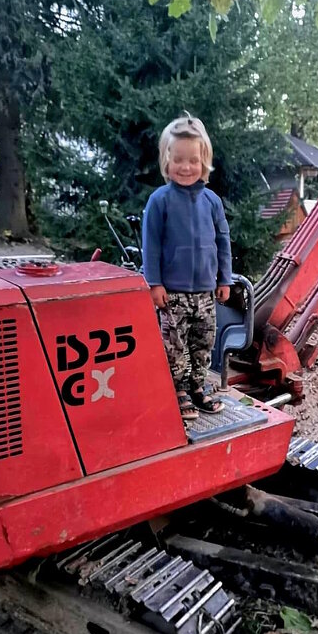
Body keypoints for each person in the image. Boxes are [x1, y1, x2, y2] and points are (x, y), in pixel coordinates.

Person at [142, 115, 232, 420]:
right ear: (166, 160)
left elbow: (223, 242)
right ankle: (177, 389)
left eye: (193, 160)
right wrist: (154, 283)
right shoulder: (159, 201)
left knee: (203, 342)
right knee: (174, 345)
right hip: (173, 294)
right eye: (178, 159)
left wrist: (225, 279)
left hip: (206, 291)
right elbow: (151, 246)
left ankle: (196, 387)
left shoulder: (212, 201)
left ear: (203, 160)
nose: (186, 166)